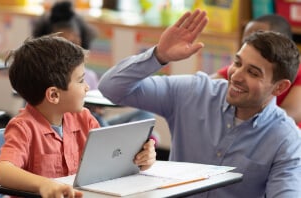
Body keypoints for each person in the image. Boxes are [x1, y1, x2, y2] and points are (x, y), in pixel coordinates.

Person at [98, 9, 301, 197]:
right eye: (237, 63)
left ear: (279, 88)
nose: (236, 76)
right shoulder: (194, 92)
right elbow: (111, 88)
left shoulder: (286, 139)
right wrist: (159, 55)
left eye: (253, 72)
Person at [0, 35, 156, 198]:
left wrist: (140, 160)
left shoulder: (84, 119)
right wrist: (43, 184)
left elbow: (108, 162)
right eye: (80, 81)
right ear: (53, 94)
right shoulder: (23, 127)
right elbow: (3, 172)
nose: (87, 87)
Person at [32, 1, 157, 131]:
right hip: (71, 127)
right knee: (97, 121)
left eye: (75, 42)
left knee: (145, 115)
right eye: (64, 43)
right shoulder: (45, 78)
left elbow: (99, 105)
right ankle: (121, 145)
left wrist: (97, 109)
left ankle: (126, 142)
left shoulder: (89, 75)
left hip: (93, 123)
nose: (71, 49)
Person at [211, 14, 301, 128]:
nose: (251, 46)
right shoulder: (240, 68)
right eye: (247, 41)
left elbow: (292, 113)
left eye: (261, 42)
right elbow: (206, 89)